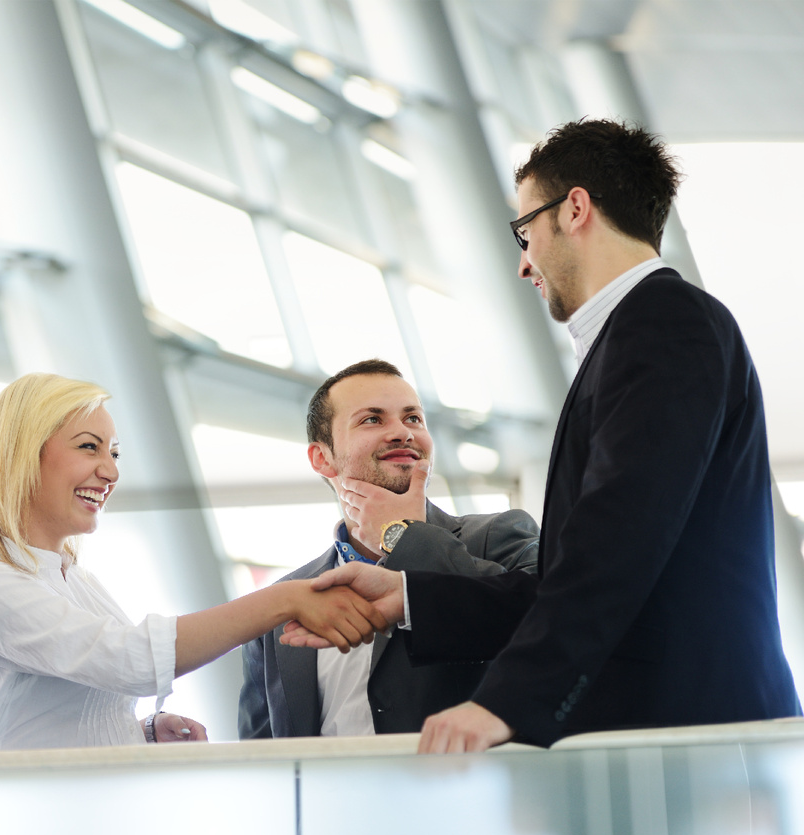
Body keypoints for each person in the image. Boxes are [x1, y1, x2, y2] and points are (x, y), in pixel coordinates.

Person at [283, 119, 801, 752]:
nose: (524, 263)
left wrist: (504, 703)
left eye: (525, 230)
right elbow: (574, 575)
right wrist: (411, 596)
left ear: (575, 208)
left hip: (689, 733)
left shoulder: (665, 324)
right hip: (671, 732)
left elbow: (618, 541)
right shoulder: (635, 337)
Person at [0, 372, 389, 750]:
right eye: (89, 447)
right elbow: (130, 660)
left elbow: (55, 722)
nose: (111, 471)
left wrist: (140, 733)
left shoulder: (75, 579)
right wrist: (282, 601)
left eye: (113, 453)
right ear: (25, 453)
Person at [239, 359, 539, 739]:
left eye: (413, 418)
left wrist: (402, 534)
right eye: (372, 420)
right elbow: (262, 755)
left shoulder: (499, 537)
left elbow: (553, 624)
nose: (402, 433)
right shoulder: (279, 605)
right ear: (322, 458)